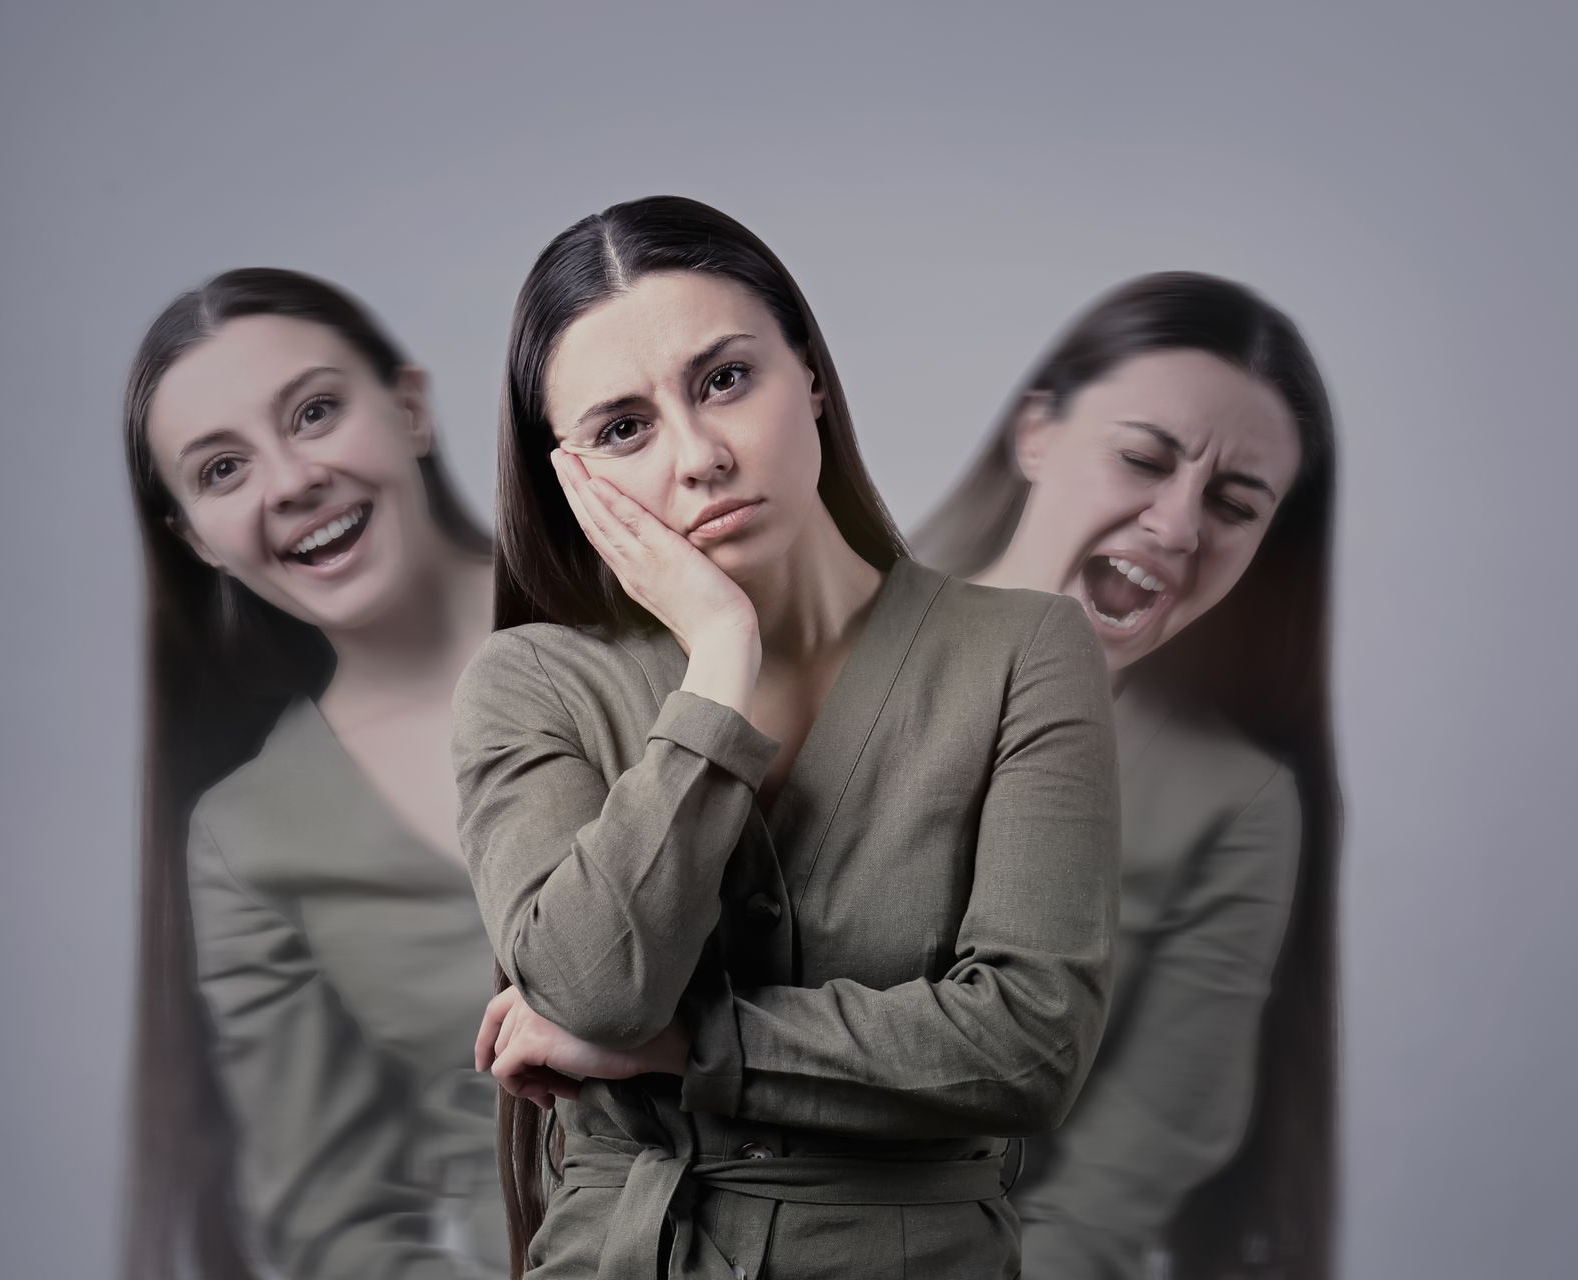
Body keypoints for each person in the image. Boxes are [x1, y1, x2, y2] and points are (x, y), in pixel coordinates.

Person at [450, 195, 1121, 1280]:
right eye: (624, 428)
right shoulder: (531, 683)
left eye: (724, 379)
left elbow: (1029, 1046)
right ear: (570, 476)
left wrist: (682, 1047)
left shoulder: (1024, 650)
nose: (700, 455)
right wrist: (721, 654)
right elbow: (594, 988)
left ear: (806, 370)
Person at [915, 271, 1342, 1280]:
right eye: (1144, 458)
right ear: (1037, 432)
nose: (1180, 525)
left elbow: (1124, 1170)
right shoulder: (788, 645)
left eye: (1236, 504)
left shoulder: (1229, 802)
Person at [120, 268, 505, 1279]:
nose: (291, 481)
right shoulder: (252, 835)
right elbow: (338, 1226)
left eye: (316, 411)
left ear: (411, 408)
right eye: (221, 471)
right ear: (193, 538)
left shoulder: (662, 597)